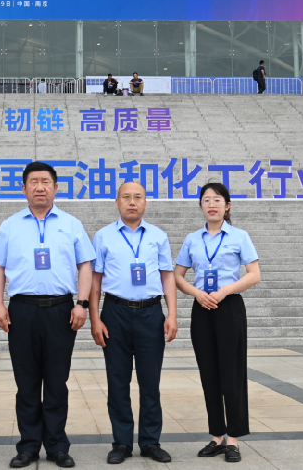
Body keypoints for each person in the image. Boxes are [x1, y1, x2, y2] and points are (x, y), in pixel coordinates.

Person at [0, 161, 94, 469]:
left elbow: (85, 265)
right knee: (26, 382)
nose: (39, 187)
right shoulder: (10, 225)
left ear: (55, 187)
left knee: (56, 381)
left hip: (61, 310)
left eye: (45, 181)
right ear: (23, 188)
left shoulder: (71, 224)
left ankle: (57, 446)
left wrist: (82, 303)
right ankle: (28, 446)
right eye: (33, 182)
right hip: (22, 310)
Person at [90, 182, 177, 464]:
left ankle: (150, 441)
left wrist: (172, 314)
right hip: (114, 312)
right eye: (126, 197)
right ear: (117, 202)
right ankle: (122, 443)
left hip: (150, 314)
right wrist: (95, 318)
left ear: (145, 202)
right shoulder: (103, 236)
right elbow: (95, 281)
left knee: (150, 382)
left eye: (138, 197)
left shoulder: (158, 236)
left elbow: (167, 276)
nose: (132, 202)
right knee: (118, 381)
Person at [173, 182, 260, 464]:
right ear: (201, 205)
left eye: (217, 200)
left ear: (227, 205)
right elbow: (177, 275)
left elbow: (254, 274)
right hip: (202, 308)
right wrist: (196, 293)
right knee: (209, 374)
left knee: (231, 375)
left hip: (229, 306)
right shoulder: (192, 239)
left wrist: (224, 291)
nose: (212, 204)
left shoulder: (239, 236)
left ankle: (233, 439)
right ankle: (217, 436)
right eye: (206, 200)